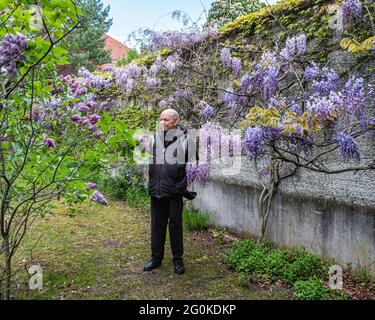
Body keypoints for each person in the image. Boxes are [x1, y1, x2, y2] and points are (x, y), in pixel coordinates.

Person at [143, 109, 196, 275]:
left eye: (166, 120)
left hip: (174, 192)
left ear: (175, 120)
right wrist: (150, 184)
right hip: (156, 191)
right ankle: (156, 258)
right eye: (161, 120)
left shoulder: (186, 140)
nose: (162, 122)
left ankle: (178, 260)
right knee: (157, 227)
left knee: (175, 226)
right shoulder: (155, 139)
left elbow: (192, 166)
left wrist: (180, 188)